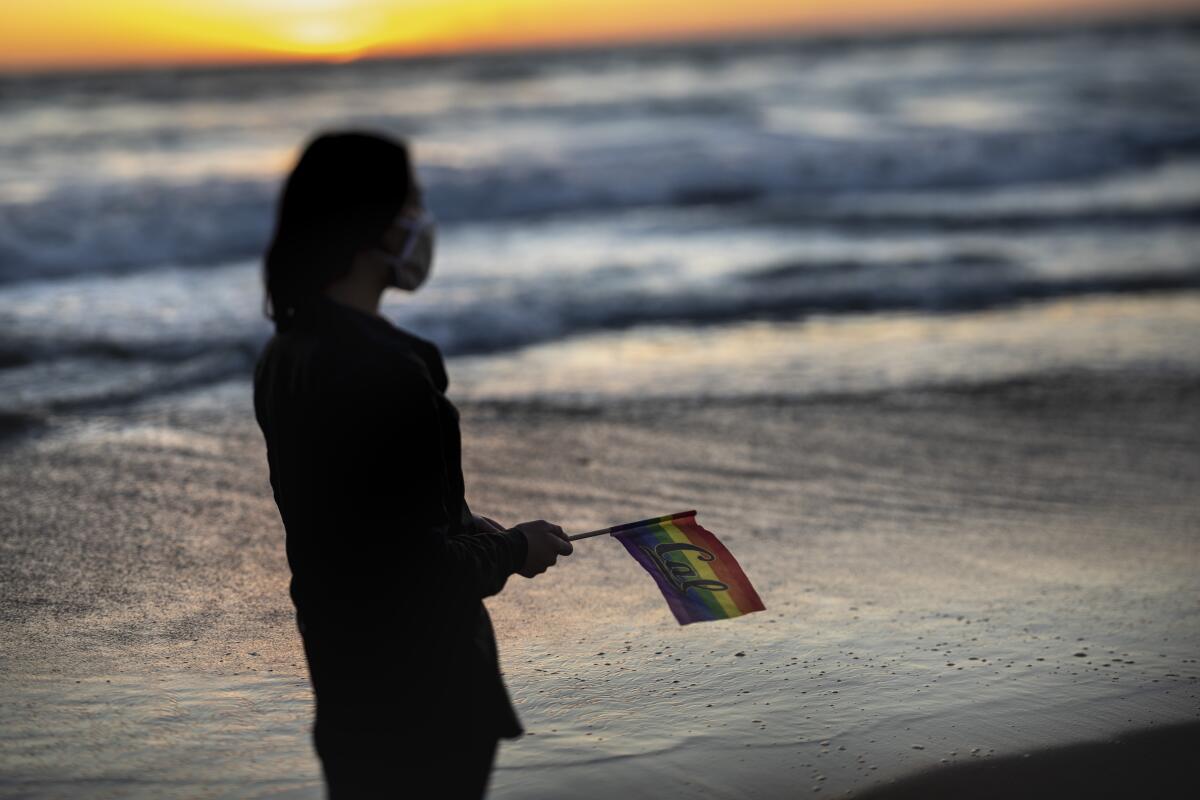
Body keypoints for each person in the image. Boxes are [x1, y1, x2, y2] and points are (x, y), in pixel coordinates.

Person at [252, 131, 573, 798]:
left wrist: (458, 519)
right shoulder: (387, 370)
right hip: (429, 694)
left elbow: (357, 520)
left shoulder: (284, 355)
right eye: (414, 202)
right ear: (371, 223)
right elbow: (413, 572)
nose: (423, 221)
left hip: (345, 676)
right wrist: (516, 548)